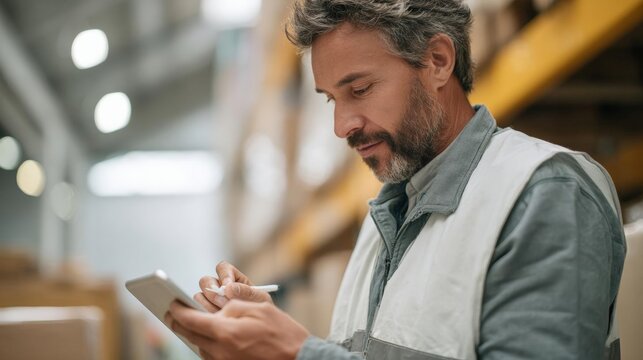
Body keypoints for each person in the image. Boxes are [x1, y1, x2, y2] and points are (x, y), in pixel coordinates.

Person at [165, 1, 626, 359]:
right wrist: (270, 340)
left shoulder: (542, 194)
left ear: (438, 61)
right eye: (330, 100)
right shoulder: (385, 219)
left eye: (360, 89)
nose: (342, 125)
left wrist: (298, 354)